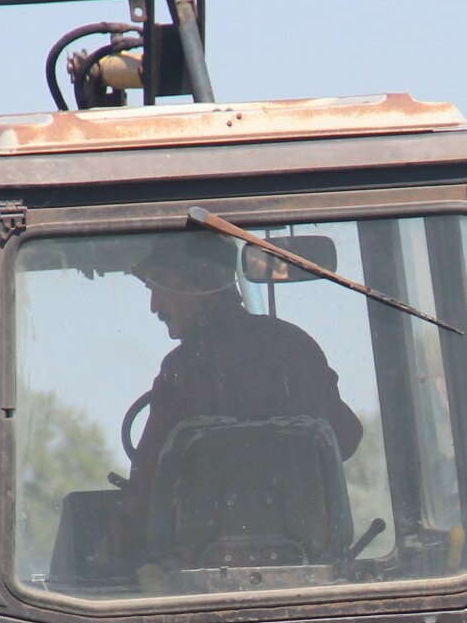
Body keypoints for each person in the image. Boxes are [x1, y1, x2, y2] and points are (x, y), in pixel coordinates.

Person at [113, 232, 364, 558]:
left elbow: (147, 487)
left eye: (159, 284)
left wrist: (114, 550)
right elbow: (345, 436)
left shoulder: (185, 367)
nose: (154, 306)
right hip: (306, 556)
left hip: (207, 564)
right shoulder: (294, 346)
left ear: (199, 284)